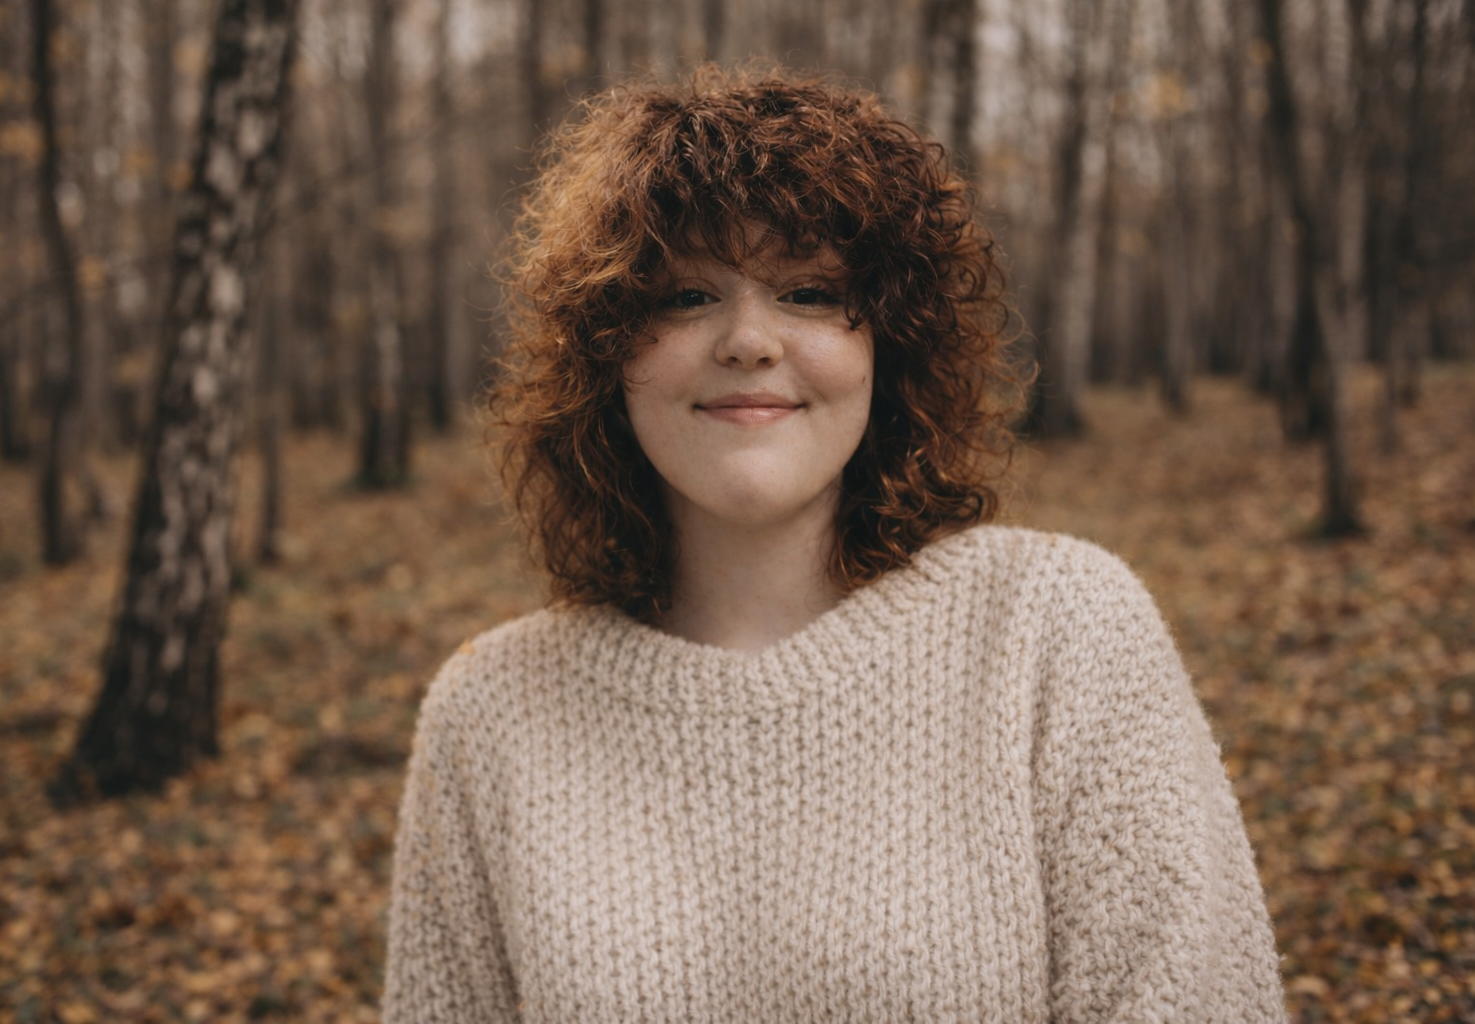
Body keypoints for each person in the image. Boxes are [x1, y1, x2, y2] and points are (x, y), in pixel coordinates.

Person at [382, 65, 1286, 1023]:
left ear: (889, 344)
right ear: (607, 352)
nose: (748, 340)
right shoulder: (487, 715)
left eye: (810, 292)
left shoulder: (1055, 634)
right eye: (685, 296)